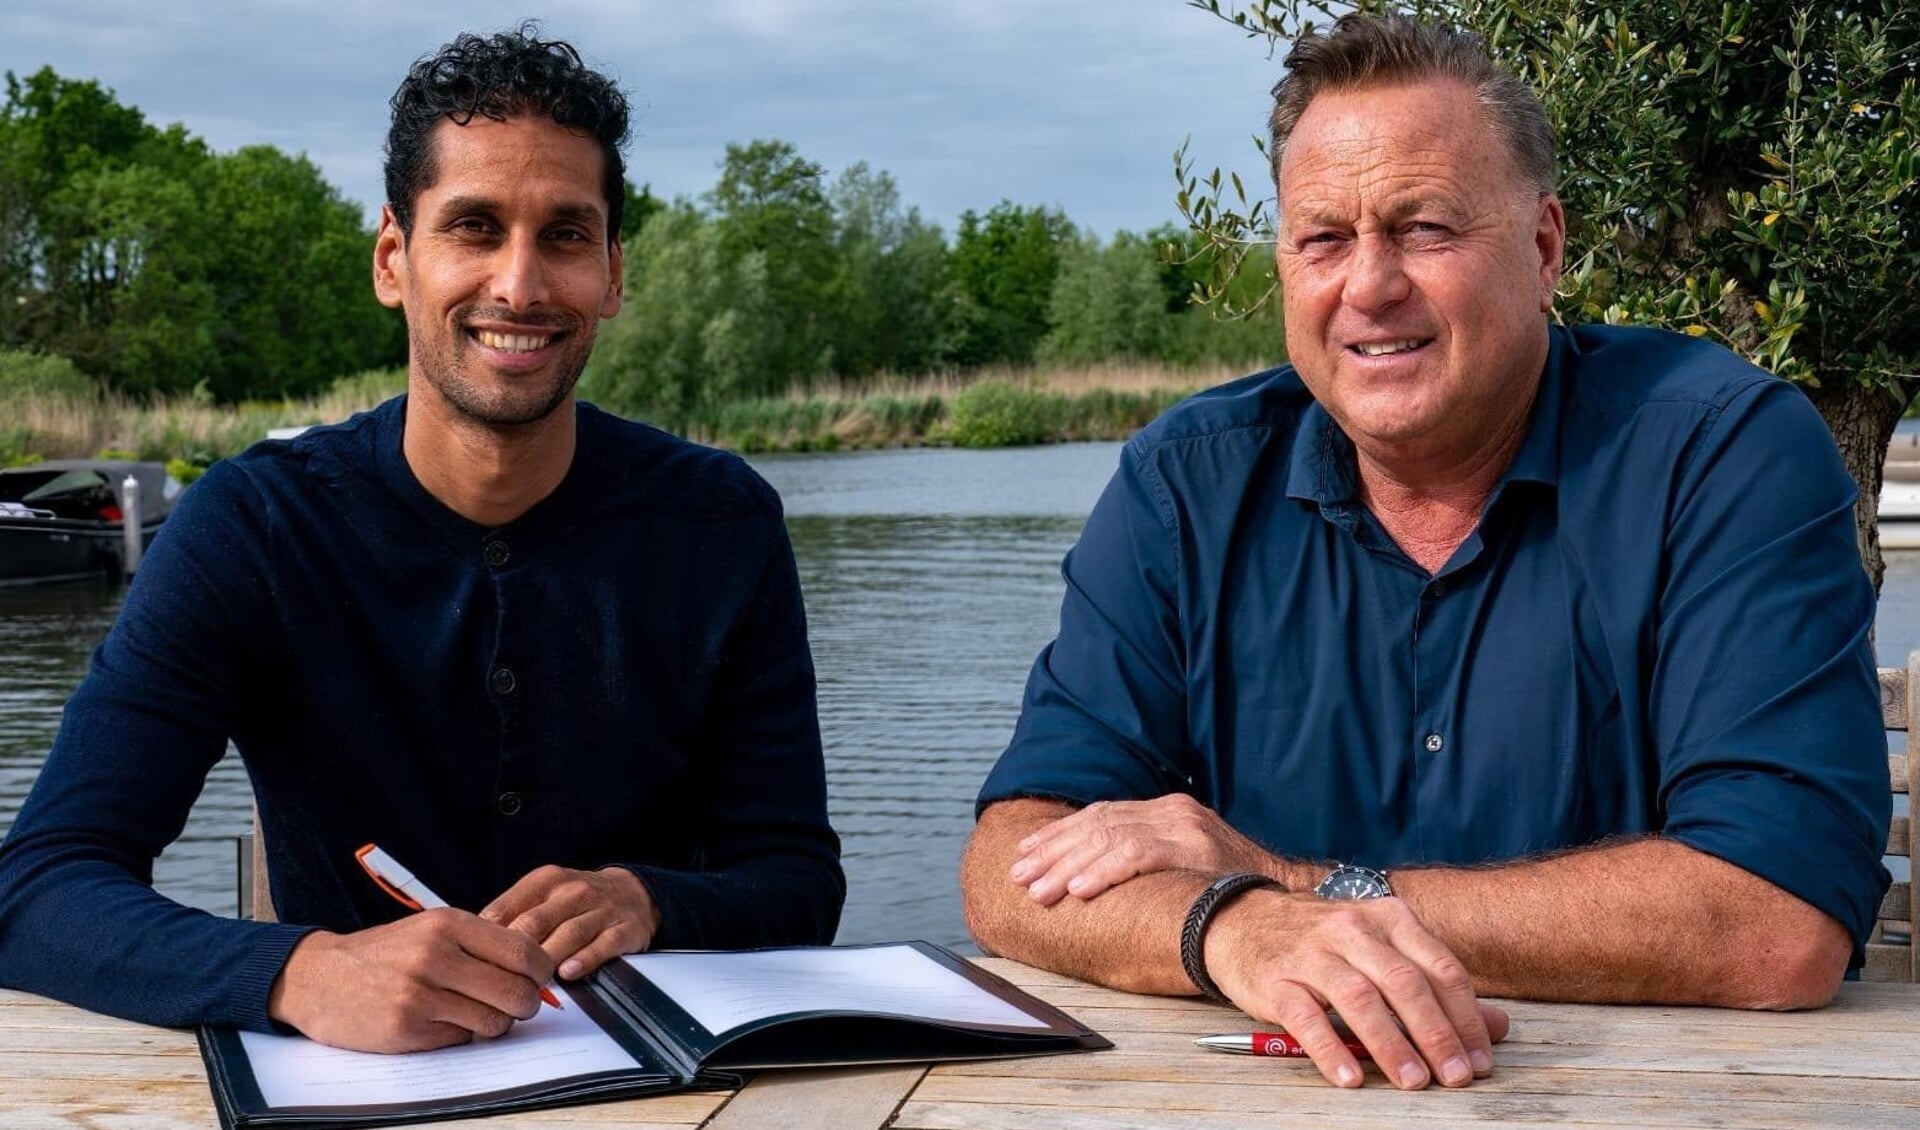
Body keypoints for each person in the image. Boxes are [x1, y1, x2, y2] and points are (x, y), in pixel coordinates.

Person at [960, 11, 1891, 1094]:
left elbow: (1776, 925)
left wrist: (1294, 883)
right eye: (1323, 238)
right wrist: (1235, 928)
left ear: (1544, 250)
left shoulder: (1721, 455)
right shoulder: (1186, 484)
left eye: (1425, 228)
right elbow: (1010, 861)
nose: (1369, 285)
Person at [0, 26, 843, 1053]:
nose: (522, 285)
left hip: (665, 1086)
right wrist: (296, 970)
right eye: (476, 227)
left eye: (567, 235)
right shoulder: (256, 525)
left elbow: (797, 881)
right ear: (396, 260)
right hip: (357, 1090)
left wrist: (648, 899)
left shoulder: (722, 522)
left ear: (613, 274)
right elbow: (40, 885)